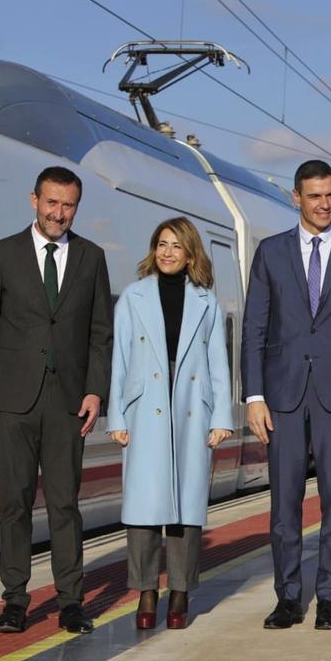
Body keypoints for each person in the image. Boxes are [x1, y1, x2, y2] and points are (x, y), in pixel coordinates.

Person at [0, 166, 112, 635]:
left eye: (68, 205)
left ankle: (71, 602)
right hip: (12, 400)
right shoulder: (2, 254)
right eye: (51, 203)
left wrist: (95, 390)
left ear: (76, 207)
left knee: (66, 503)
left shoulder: (92, 257)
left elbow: (100, 334)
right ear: (34, 200)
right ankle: (15, 601)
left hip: (68, 401)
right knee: (15, 502)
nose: (59, 213)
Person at [241, 160, 331, 631]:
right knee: (284, 505)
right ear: (296, 198)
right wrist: (253, 395)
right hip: (282, 395)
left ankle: (328, 598)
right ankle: (288, 598)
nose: (324, 204)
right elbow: (254, 328)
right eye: (315, 196)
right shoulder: (270, 252)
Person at [105, 218, 233, 629]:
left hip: (192, 409)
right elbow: (120, 361)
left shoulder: (206, 301)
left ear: (191, 253)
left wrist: (221, 417)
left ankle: (180, 590)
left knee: (186, 508)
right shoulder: (132, 297)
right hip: (145, 410)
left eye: (177, 246)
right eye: (161, 244)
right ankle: (145, 591)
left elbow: (218, 360)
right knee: (143, 508)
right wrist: (117, 416)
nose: (167, 252)